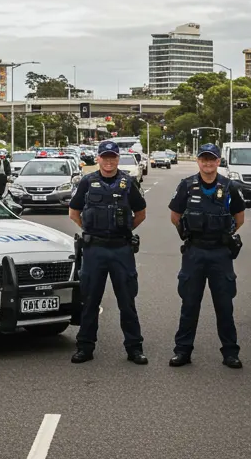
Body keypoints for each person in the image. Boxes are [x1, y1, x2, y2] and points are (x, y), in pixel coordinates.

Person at [69, 139, 148, 365]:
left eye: (113, 157)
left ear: (117, 159)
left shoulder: (127, 182)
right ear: (98, 159)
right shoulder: (87, 182)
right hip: (95, 249)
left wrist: (126, 229)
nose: (109, 161)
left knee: (127, 301)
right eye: (105, 157)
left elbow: (140, 212)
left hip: (121, 250)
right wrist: (89, 229)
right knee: (90, 300)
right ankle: (85, 347)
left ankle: (134, 348)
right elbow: (74, 212)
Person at [168, 143, 244, 368]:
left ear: (219, 162)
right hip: (195, 252)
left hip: (220, 253)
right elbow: (175, 216)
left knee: (224, 306)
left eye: (212, 159)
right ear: (198, 161)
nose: (208, 163)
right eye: (204, 159)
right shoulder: (187, 186)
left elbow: (239, 218)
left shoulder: (229, 187)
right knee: (189, 304)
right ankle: (182, 351)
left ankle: (230, 352)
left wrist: (223, 236)